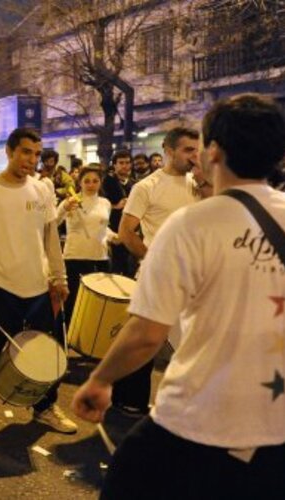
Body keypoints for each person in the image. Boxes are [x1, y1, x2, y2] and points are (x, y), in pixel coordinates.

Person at [72, 93, 285, 499]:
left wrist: (100, 380)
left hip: (198, 418)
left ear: (214, 152)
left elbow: (147, 335)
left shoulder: (190, 225)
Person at [0, 127, 77, 448]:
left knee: (45, 355)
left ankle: (45, 407)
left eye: (36, 154)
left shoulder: (42, 190)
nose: (31, 160)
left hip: (38, 290)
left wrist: (59, 278)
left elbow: (51, 237)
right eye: (25, 152)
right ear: (9, 151)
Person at [114, 126, 209, 415]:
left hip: (194, 276)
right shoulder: (146, 187)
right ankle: (129, 401)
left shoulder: (199, 183)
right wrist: (153, 258)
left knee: (194, 342)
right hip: (158, 276)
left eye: (197, 150)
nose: (194, 156)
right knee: (144, 341)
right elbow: (126, 232)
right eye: (187, 150)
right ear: (169, 151)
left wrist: (206, 181)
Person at [56, 165, 117, 326]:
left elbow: (103, 227)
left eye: (95, 181)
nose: (91, 185)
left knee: (99, 301)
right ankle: (69, 337)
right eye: (87, 181)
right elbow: (54, 222)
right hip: (74, 257)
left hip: (100, 257)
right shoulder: (70, 201)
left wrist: (113, 236)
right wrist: (64, 209)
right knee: (74, 301)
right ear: (80, 183)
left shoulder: (105, 203)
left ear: (101, 182)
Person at [101, 150, 136, 277]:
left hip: (131, 230)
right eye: (121, 163)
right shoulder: (106, 182)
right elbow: (98, 204)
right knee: (115, 268)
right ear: (114, 165)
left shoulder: (134, 184)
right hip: (112, 230)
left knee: (129, 268)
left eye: (127, 162)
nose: (125, 166)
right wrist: (115, 206)